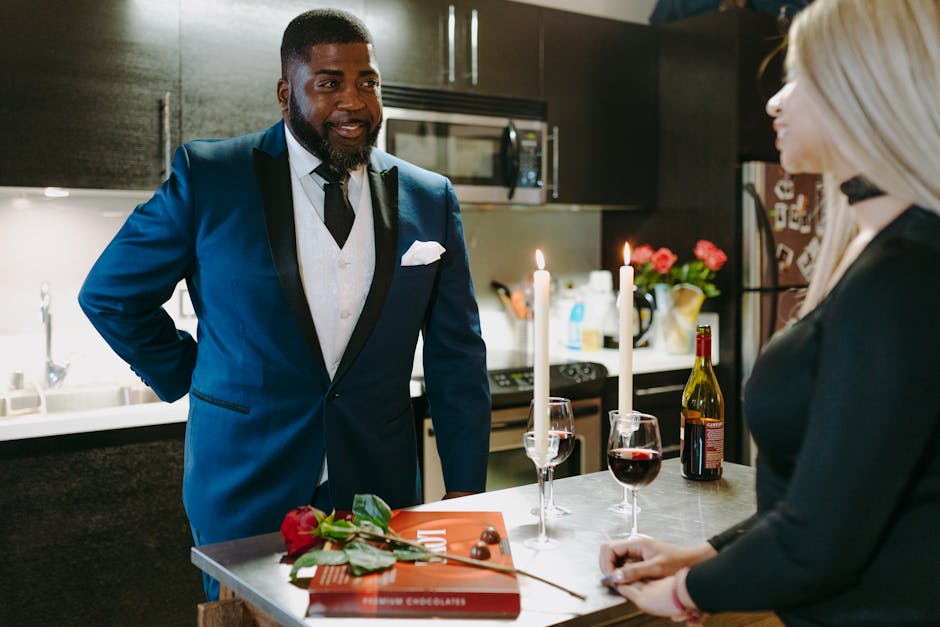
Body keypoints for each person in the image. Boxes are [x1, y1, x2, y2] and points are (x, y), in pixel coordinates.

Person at [79, 9, 491, 599]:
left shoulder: (429, 197)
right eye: (328, 82)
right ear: (285, 92)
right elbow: (111, 294)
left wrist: (464, 489)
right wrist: (188, 373)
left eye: (367, 82)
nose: (354, 101)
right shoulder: (211, 177)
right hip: (245, 485)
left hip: (378, 487)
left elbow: (456, 355)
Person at [599, 0, 940, 624]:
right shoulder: (886, 252)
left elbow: (821, 537)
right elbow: (830, 492)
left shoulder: (902, 275)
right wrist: (697, 556)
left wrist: (684, 594)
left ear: (861, 91)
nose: (773, 103)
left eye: (797, 79)